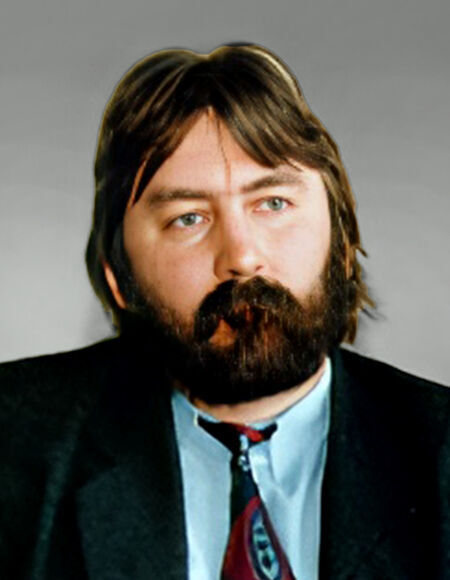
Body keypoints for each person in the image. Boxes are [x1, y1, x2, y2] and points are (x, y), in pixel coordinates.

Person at [1, 43, 449, 580]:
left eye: (273, 204)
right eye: (188, 218)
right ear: (120, 279)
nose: (241, 256)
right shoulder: (13, 444)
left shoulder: (439, 453)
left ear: (344, 245)